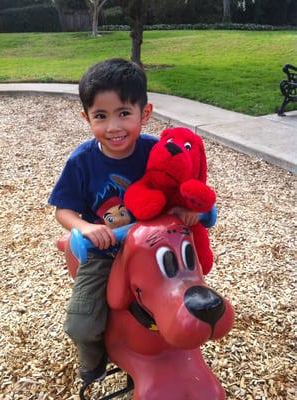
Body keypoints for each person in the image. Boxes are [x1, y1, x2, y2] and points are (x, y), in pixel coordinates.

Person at [48, 58, 199, 386]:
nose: (113, 126)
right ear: (86, 117)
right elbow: (64, 210)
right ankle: (93, 360)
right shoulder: (82, 162)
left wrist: (188, 209)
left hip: (153, 249)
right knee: (81, 324)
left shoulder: (156, 151)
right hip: (106, 252)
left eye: (124, 113)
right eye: (101, 116)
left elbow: (181, 189)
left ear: (144, 114)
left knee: (188, 288)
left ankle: (179, 342)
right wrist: (86, 228)